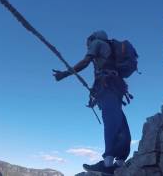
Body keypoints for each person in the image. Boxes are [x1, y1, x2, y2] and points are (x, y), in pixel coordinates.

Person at [53, 30, 131, 175]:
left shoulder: (97, 43)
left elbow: (85, 62)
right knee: (119, 121)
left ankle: (108, 163)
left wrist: (65, 74)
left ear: (93, 38)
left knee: (110, 122)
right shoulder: (112, 49)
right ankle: (120, 161)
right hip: (116, 87)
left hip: (107, 86)